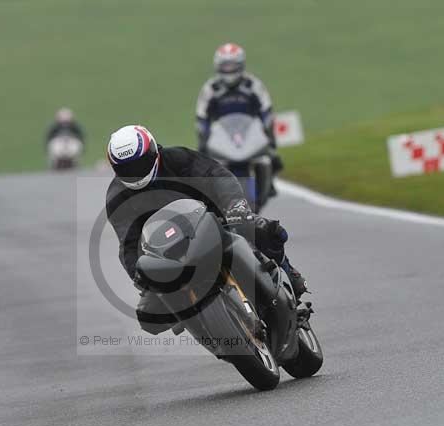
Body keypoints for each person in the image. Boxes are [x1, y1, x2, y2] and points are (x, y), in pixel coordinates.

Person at [105, 125, 307, 335]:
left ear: (153, 152)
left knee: (265, 230)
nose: (135, 171)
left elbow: (217, 175)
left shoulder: (177, 158)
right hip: (169, 252)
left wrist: (235, 206)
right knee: (149, 315)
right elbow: (128, 242)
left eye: (139, 164)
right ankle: (203, 326)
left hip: (214, 219)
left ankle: (288, 272)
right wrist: (139, 274)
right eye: (127, 169)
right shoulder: (117, 198)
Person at [195, 43, 283, 175]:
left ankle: (268, 182)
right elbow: (202, 116)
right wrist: (204, 141)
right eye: (225, 65)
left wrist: (268, 134)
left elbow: (266, 109)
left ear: (240, 65)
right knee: (204, 168)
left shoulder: (253, 84)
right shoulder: (211, 88)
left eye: (232, 65)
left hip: (251, 131)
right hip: (222, 134)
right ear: (218, 66)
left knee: (273, 159)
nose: (229, 69)